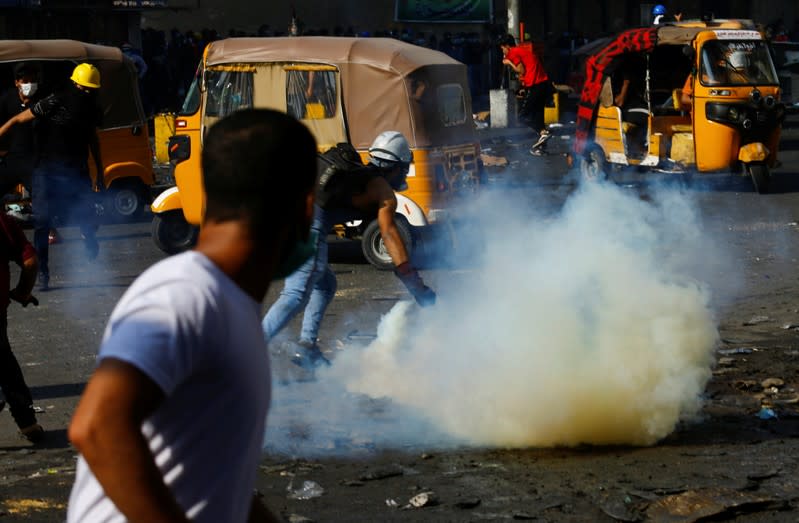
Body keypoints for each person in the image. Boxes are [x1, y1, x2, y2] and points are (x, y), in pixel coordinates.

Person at [66, 108, 316, 522]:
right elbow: (97, 427)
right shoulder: (185, 292)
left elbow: (215, 479)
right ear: (304, 206)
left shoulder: (230, 304)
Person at [262, 131, 436, 369]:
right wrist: (415, 283)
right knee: (296, 293)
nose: (404, 174)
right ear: (395, 167)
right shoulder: (382, 191)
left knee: (325, 285)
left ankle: (307, 346)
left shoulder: (356, 175)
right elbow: (389, 233)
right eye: (404, 168)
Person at [0, 62, 104, 291]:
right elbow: (18, 119)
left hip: (76, 171)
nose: (86, 93)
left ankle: (90, 240)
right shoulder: (55, 100)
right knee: (42, 222)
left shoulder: (93, 109)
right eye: (84, 88)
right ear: (75, 83)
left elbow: (93, 140)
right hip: (47, 170)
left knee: (85, 215)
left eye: (90, 90)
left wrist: (101, 170)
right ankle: (43, 273)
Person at [0, 212, 42, 443]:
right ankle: (27, 423)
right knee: (5, 364)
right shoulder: (4, 222)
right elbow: (30, 262)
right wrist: (22, 292)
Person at [499, 34, 553, 156]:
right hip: (543, 83)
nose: (503, 52)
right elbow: (529, 68)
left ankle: (543, 132)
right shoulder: (522, 50)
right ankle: (540, 148)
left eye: (502, 49)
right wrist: (524, 87)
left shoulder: (512, 52)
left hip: (536, 85)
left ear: (507, 46)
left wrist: (508, 63)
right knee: (538, 117)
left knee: (523, 116)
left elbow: (521, 70)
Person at [0, 62, 40, 198]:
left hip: (35, 161)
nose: (30, 85)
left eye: (33, 81)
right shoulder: (7, 99)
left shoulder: (41, 103)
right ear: (17, 82)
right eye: (25, 81)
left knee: (42, 198)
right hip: (12, 158)